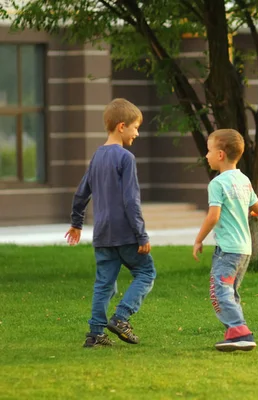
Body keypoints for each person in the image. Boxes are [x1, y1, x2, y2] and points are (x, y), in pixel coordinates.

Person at [65, 98, 156, 348]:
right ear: (121, 126)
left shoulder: (97, 157)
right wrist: (142, 235)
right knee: (146, 272)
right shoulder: (125, 158)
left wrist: (77, 223)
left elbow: (81, 192)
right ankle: (121, 318)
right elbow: (130, 200)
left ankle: (95, 335)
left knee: (104, 284)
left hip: (103, 233)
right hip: (126, 233)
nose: (137, 133)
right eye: (136, 127)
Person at [192, 129, 258, 352]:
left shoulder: (217, 183)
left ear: (220, 155)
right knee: (231, 291)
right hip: (245, 249)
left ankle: (240, 331)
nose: (206, 156)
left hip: (227, 250)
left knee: (220, 291)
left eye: (208, 151)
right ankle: (234, 333)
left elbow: (213, 216)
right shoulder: (243, 180)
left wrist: (199, 240)